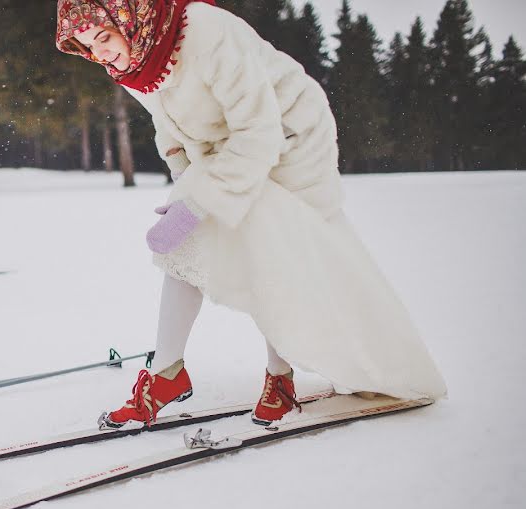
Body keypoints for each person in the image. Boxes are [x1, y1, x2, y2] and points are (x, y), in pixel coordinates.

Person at [55, 0, 447, 429]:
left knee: (275, 253)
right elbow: (166, 121)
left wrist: (200, 201)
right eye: (90, 46)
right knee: (185, 242)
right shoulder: (136, 61)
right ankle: (166, 373)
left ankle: (280, 376)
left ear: (130, 18)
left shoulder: (206, 32)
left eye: (105, 37)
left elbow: (259, 132)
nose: (101, 53)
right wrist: (187, 186)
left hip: (290, 139)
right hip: (226, 146)